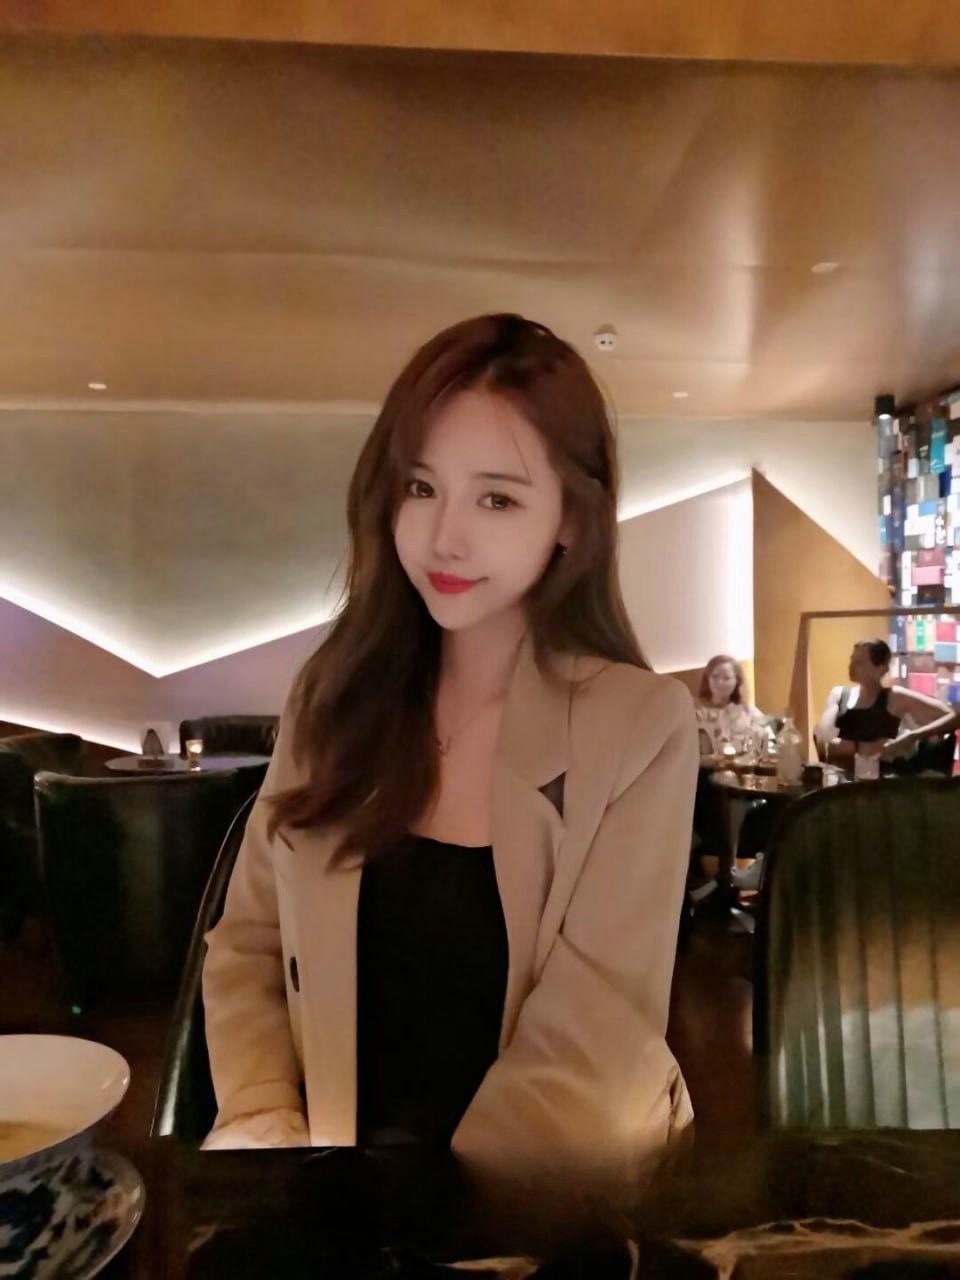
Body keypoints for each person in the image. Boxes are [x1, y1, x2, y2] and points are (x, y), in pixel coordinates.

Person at [201, 314, 699, 1229]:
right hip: (339, 1200)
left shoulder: (638, 727)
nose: (444, 538)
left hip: (535, 1208)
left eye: (497, 500)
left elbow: (594, 1034)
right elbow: (249, 943)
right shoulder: (333, 698)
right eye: (421, 487)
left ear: (570, 520)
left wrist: (431, 1220)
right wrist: (268, 1125)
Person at [815, 638, 959, 773]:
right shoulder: (839, 694)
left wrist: (912, 737)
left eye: (860, 662)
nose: (851, 666)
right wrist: (866, 748)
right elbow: (823, 740)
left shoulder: (895, 697)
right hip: (841, 780)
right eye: (852, 660)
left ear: (882, 668)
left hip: (881, 781)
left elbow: (954, 717)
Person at [694, 655, 770, 756]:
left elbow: (768, 738)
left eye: (726, 678)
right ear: (707, 679)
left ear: (737, 681)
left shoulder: (747, 709)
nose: (720, 682)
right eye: (715, 676)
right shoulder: (696, 709)